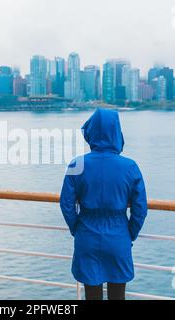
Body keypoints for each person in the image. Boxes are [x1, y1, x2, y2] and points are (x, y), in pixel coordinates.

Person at [60, 108, 148, 300]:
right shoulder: (130, 167)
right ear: (117, 132)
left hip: (87, 235)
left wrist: (78, 228)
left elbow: (66, 204)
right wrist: (129, 233)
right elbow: (140, 209)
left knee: (92, 296)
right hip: (118, 236)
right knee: (118, 296)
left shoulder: (77, 164)